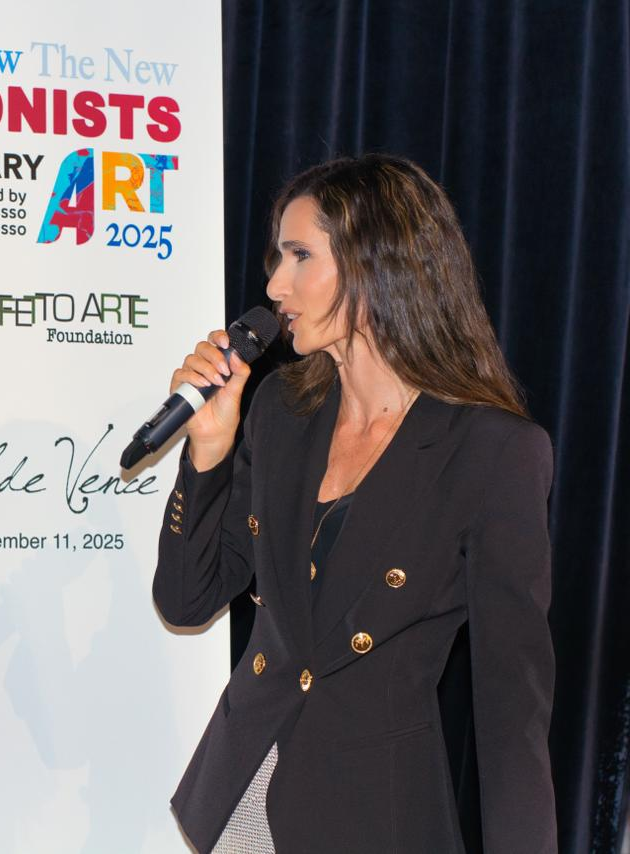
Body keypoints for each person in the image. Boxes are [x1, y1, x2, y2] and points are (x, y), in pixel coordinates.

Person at [153, 154, 555, 853]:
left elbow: (510, 705)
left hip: (374, 814)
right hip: (241, 792)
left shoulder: (491, 452)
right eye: (278, 256)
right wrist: (208, 453)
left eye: (300, 255)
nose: (275, 285)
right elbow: (186, 601)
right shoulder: (281, 409)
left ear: (378, 263)